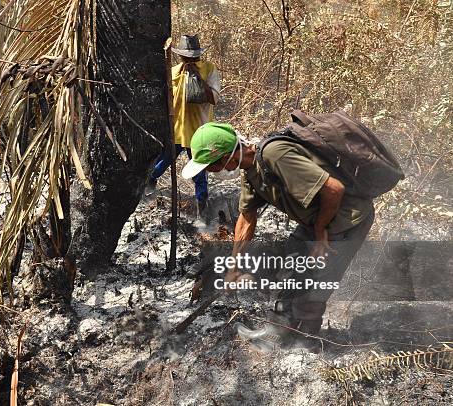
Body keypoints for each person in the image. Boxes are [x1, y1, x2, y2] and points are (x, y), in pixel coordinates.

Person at [181, 122, 375, 351]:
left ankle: (305, 345)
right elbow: (246, 219)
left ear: (224, 158)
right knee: (289, 270)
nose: (210, 172)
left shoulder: (274, 155)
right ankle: (278, 333)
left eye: (209, 166)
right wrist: (233, 266)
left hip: (346, 219)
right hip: (316, 219)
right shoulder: (251, 171)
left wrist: (322, 231)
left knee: (316, 283)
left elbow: (334, 189)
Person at [146, 35, 221, 222]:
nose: (190, 60)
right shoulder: (173, 73)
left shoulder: (209, 70)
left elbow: (214, 99)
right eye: (187, 58)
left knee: (199, 173)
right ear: (180, 57)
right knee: (162, 164)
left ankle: (202, 210)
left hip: (200, 132)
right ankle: (148, 191)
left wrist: (196, 77)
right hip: (177, 130)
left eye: (193, 57)